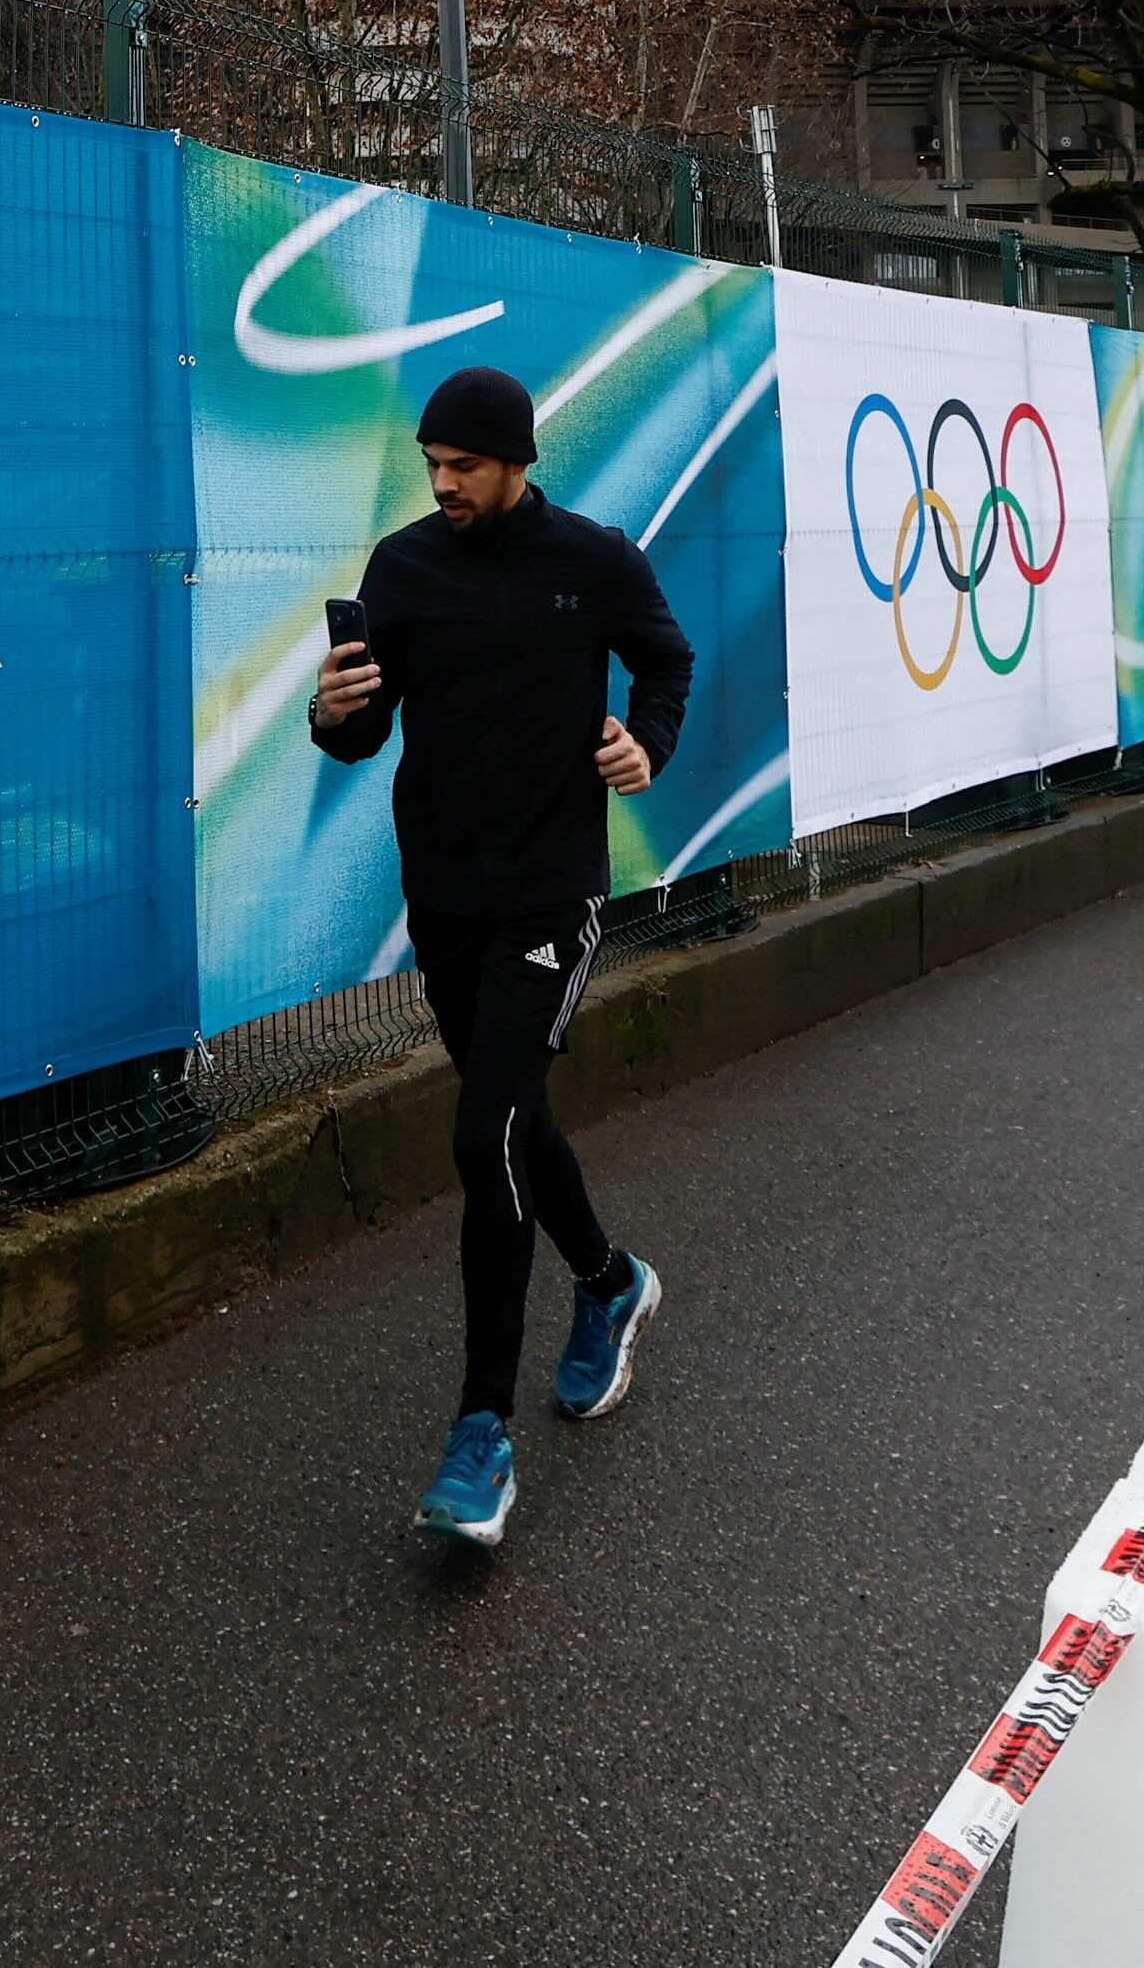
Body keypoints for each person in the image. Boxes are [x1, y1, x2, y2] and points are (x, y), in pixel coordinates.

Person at [307, 361, 694, 1550]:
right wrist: (333, 712)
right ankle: (610, 1278)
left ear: (516, 459)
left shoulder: (592, 559)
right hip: (447, 898)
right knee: (514, 1116)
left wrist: (647, 746)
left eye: (463, 465)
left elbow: (665, 659)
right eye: (432, 464)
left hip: (550, 893)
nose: (443, 483)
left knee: (487, 1133)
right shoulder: (402, 566)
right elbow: (361, 733)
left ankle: (480, 1434)